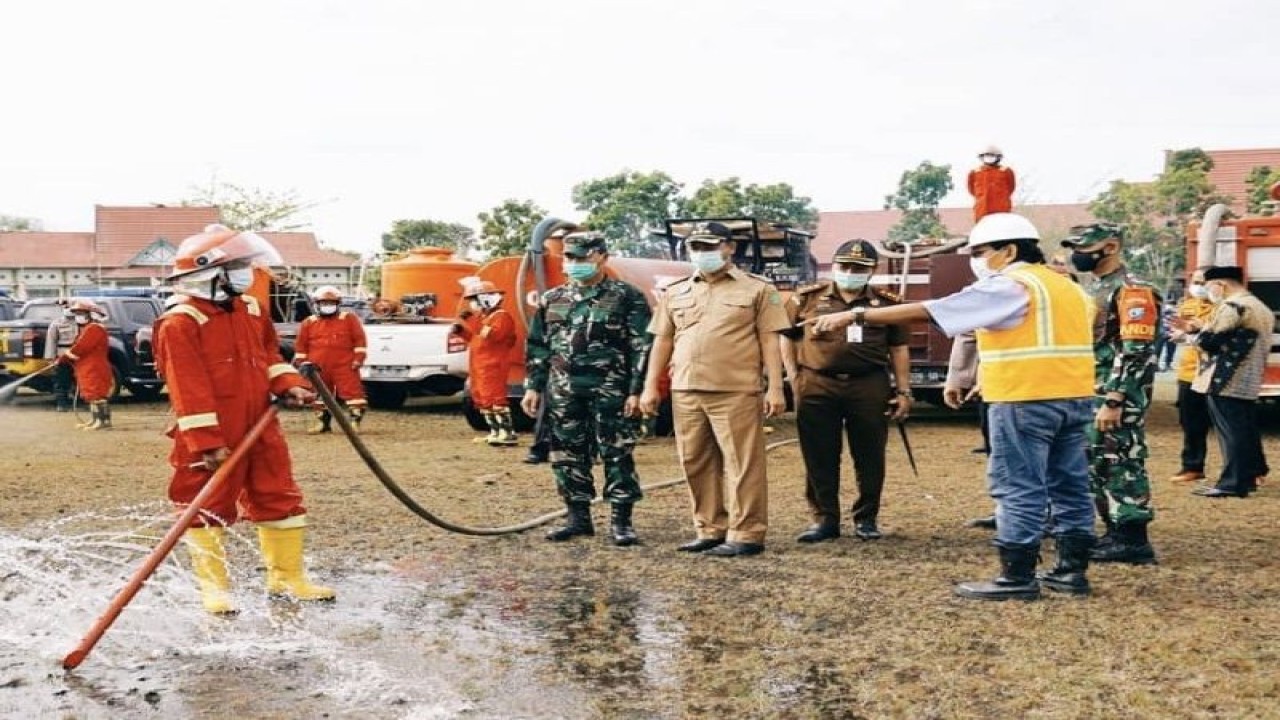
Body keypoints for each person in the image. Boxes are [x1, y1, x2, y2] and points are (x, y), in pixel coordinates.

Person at [809, 213, 1096, 600]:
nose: (975, 259)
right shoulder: (1067, 289)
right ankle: (1071, 571)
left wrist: (856, 314)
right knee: (1070, 485)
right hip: (1074, 398)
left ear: (1009, 250)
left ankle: (1017, 576)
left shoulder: (1011, 285)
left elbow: (933, 310)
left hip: (1023, 399)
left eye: (980, 251)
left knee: (1018, 487)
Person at [155, 224, 333, 614]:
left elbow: (268, 355)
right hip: (211, 431)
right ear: (207, 274)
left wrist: (289, 384)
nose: (248, 274)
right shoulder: (180, 322)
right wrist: (207, 442)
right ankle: (214, 589)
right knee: (205, 504)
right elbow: (188, 388)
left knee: (278, 494)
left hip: (260, 423)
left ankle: (287, 578)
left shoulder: (250, 309)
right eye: (238, 266)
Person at [640, 222, 790, 557]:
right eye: (696, 247)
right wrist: (651, 385)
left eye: (709, 246)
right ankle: (709, 528)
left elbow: (771, 339)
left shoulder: (758, 289)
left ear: (728, 248)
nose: (702, 253)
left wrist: (776, 388)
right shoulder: (675, 291)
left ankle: (747, 533)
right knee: (694, 461)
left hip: (735, 388)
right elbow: (662, 341)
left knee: (743, 463)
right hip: (686, 389)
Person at [522, 231, 653, 545]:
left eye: (583, 257)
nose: (576, 263)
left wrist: (636, 390)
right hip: (563, 391)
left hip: (611, 390)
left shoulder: (626, 296)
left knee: (617, 452)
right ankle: (577, 518)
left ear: (602, 258)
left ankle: (621, 522)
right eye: (570, 258)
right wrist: (533, 387)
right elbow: (539, 346)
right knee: (566, 454)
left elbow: (641, 346)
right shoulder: (553, 298)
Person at [781, 239, 911, 543]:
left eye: (858, 268)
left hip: (868, 384)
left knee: (869, 454)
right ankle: (824, 519)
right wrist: (793, 376)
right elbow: (786, 337)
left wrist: (904, 391)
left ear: (872, 270)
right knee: (818, 453)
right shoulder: (805, 299)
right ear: (834, 266)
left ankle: (866, 518)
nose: (850, 272)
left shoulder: (889, 302)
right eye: (844, 266)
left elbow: (899, 348)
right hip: (816, 383)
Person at [1062, 223, 1160, 565]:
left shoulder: (1132, 290)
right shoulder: (1098, 288)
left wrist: (1115, 398)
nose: (1078, 255)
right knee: (1100, 462)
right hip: (1094, 390)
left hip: (1117, 396)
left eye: (1084, 248)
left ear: (1111, 247)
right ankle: (1114, 532)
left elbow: (1136, 349)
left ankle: (1133, 540)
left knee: (1121, 461)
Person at [1177, 266, 1273, 498]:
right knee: (1243, 429)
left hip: (1225, 377)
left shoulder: (1233, 306)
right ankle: (1246, 477)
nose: (1207, 291)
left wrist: (1194, 335)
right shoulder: (1259, 306)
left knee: (1232, 432)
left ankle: (1232, 482)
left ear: (1221, 285)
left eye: (1209, 285)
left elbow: (1211, 341)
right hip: (1248, 377)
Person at [293, 285, 369, 435]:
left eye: (331, 303)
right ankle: (323, 424)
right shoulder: (309, 322)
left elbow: (360, 341)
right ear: (317, 304)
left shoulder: (349, 319)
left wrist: (358, 359)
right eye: (324, 303)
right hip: (317, 366)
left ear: (338, 304)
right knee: (319, 395)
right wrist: (302, 364)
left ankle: (354, 423)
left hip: (345, 364)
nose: (328, 306)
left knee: (353, 394)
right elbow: (301, 346)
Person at [456, 278, 520, 446]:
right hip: (480, 365)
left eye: (473, 300)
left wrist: (471, 321)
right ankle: (495, 432)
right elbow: (477, 340)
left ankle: (507, 433)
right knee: (483, 399)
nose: (472, 305)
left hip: (493, 365)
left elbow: (492, 335)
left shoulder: (501, 317)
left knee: (495, 399)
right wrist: (462, 332)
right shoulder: (484, 317)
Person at [1167, 270, 1216, 484]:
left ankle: (1249, 468)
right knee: (1190, 422)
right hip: (1189, 371)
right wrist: (1179, 336)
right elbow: (1176, 331)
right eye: (1195, 282)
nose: (1199, 286)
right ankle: (1192, 466)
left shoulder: (1223, 308)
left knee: (1229, 424)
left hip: (1216, 372)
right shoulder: (1187, 306)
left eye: (1203, 282)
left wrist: (1192, 333)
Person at [56, 299, 113, 430]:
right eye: (76, 313)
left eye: (81, 313)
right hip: (87, 366)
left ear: (91, 314)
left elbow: (81, 347)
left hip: (94, 367)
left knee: (97, 394)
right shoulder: (88, 328)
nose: (78, 316)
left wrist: (64, 357)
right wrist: (66, 357)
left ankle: (103, 422)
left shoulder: (95, 329)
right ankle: (95, 420)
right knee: (91, 394)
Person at [44, 302, 78, 412]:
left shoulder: (80, 322)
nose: (68, 309)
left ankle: (81, 403)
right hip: (62, 355)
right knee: (62, 381)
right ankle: (62, 404)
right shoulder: (56, 324)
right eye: (66, 307)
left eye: (70, 306)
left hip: (78, 355)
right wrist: (51, 359)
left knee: (81, 380)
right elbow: (51, 342)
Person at [967, 145, 1016, 221]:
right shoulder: (974, 173)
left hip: (1002, 211)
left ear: (998, 157)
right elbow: (972, 190)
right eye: (987, 155)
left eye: (992, 155)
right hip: (982, 211)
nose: (989, 157)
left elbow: (1011, 188)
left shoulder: (1006, 171)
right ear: (982, 157)